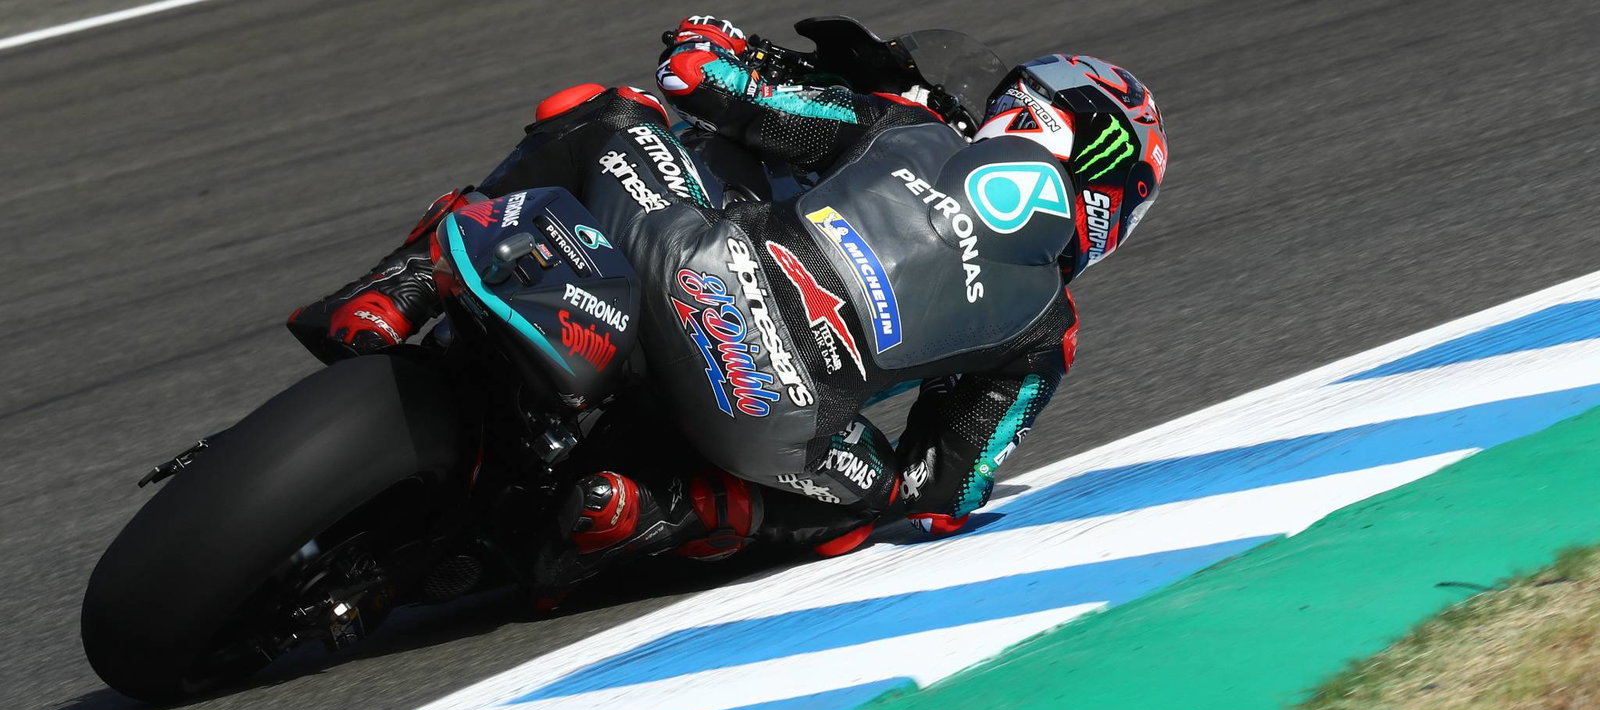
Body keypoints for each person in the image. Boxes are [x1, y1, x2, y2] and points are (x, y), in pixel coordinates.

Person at [287, 15, 1168, 588]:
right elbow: (944, 493)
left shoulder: (906, 127)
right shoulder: (1047, 331)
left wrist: (713, 38)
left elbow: (703, 82)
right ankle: (649, 507)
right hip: (777, 417)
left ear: (1030, 108)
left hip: (695, 271)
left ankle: (397, 292)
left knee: (602, 111)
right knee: (872, 498)